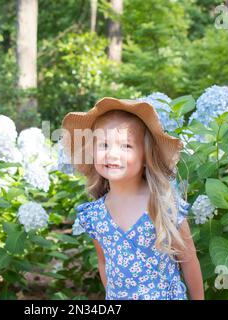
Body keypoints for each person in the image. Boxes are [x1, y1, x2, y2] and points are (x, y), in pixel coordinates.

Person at [61, 97, 204, 300]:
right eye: (103, 145)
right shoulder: (95, 215)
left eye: (126, 146)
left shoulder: (164, 205)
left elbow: (189, 261)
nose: (112, 154)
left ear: (146, 156)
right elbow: (104, 262)